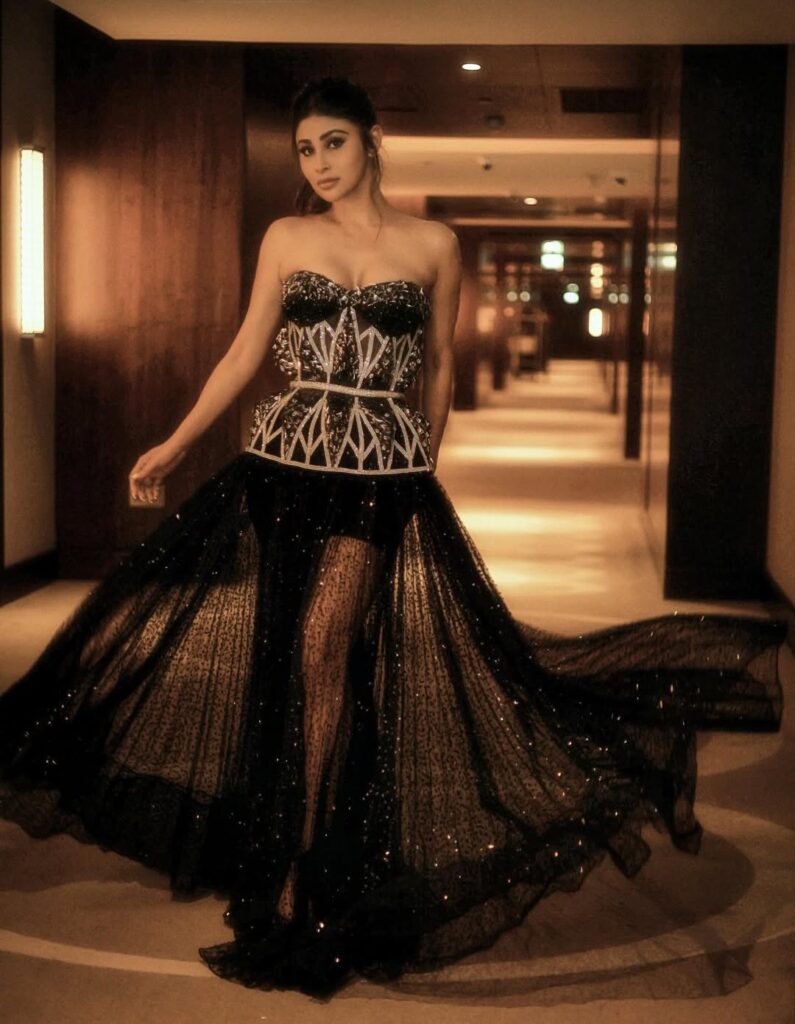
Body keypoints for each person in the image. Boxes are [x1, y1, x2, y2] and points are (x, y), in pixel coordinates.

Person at [0, 76, 787, 1000]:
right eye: (304, 149)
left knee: (325, 644)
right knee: (285, 656)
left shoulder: (432, 244)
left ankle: (308, 866)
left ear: (371, 140)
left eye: (332, 142)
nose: (317, 163)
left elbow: (440, 364)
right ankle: (285, 833)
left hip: (381, 474)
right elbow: (247, 348)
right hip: (283, 466)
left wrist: (426, 465)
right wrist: (175, 443)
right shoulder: (286, 237)